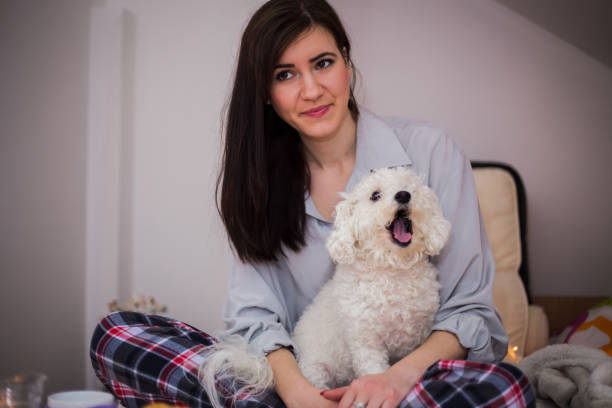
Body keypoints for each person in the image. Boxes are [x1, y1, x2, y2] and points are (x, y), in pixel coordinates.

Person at [90, 1, 535, 407]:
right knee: (116, 335)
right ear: (265, 92)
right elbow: (254, 319)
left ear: (346, 60)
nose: (311, 89)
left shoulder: (431, 153)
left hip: (410, 383)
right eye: (285, 75)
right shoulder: (258, 185)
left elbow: (469, 310)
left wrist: (392, 382)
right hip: (293, 384)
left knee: (506, 388)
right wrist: (300, 393)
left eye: (323, 63)